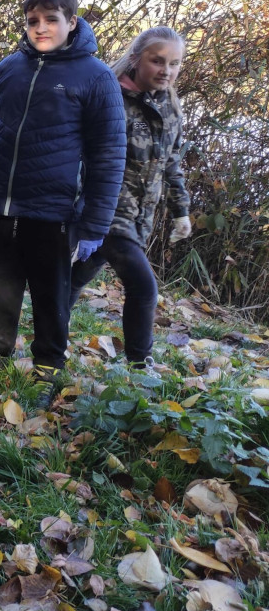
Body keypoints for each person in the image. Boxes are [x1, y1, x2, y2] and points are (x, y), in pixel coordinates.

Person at [0, 0, 126, 406]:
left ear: (72, 22)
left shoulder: (95, 77)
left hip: (53, 210)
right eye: (33, 20)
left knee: (51, 292)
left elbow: (108, 155)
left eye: (52, 20)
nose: (41, 28)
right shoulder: (9, 68)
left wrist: (95, 224)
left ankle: (49, 363)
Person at [70, 27, 191, 367]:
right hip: (106, 211)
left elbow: (171, 162)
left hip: (140, 215)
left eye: (174, 63)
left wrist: (181, 211)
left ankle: (46, 343)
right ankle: (140, 363)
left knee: (76, 277)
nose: (165, 70)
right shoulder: (111, 98)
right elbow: (83, 155)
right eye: (157, 61)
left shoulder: (169, 108)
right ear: (137, 59)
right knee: (144, 288)